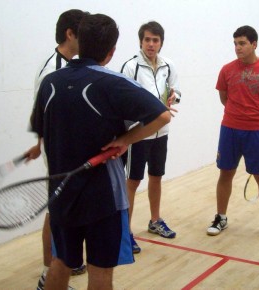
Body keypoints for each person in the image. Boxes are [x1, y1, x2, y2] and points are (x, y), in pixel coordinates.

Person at [30, 13, 171, 290]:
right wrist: (127, 139)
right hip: (103, 198)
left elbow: (42, 130)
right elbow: (163, 115)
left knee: (59, 264)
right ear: (111, 51)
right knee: (100, 273)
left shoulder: (50, 82)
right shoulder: (113, 82)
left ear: (79, 41)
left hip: (62, 193)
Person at [26, 9, 87, 290]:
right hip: (59, 150)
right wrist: (42, 143)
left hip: (66, 147)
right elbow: (41, 110)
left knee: (64, 208)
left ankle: (61, 263)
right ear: (70, 34)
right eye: (82, 31)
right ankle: (47, 273)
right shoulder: (53, 68)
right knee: (58, 209)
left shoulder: (69, 64)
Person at [207, 25, 259, 241]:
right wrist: (237, 116)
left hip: (256, 132)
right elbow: (224, 97)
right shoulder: (227, 69)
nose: (237, 48)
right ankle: (221, 217)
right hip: (229, 129)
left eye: (242, 43)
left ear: (254, 44)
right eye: (235, 43)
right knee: (225, 173)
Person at [120, 21, 181, 253]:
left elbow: (177, 91)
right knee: (133, 182)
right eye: (147, 40)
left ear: (161, 42)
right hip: (139, 134)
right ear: (141, 41)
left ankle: (155, 221)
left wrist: (173, 99)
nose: (151, 44)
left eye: (155, 40)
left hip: (161, 132)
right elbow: (123, 101)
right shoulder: (130, 67)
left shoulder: (168, 66)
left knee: (156, 177)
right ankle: (125, 231)